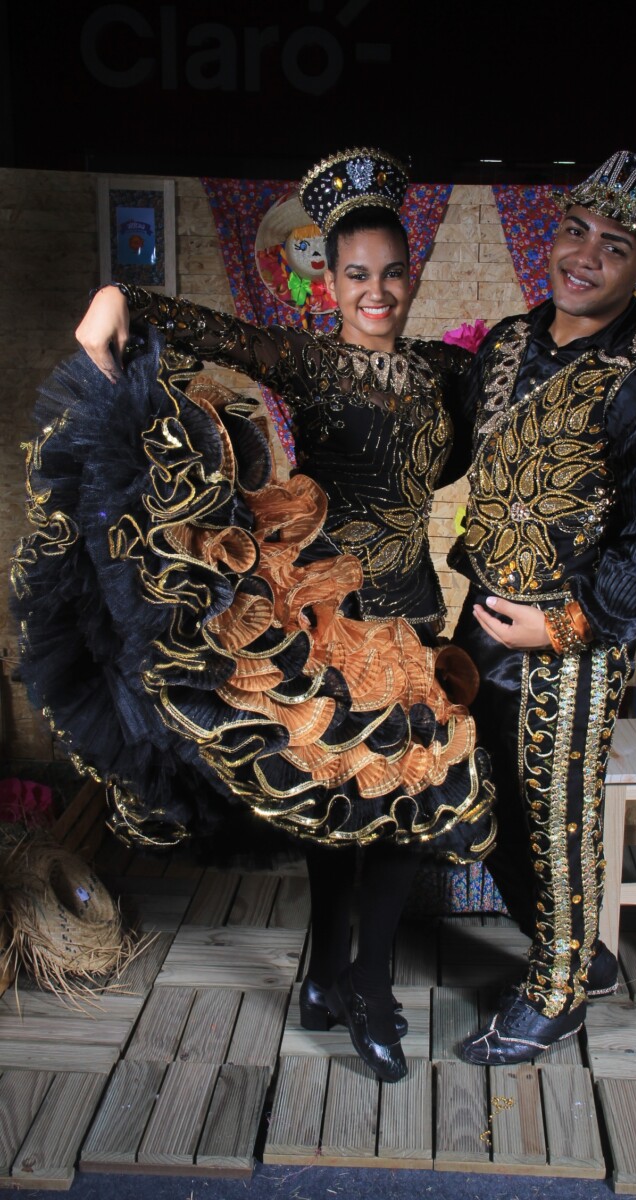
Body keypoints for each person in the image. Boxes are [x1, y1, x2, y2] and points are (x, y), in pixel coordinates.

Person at [12, 147, 494, 1084]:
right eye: (357, 274)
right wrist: (118, 297)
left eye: (394, 272)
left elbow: (477, 431)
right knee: (338, 810)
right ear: (330, 281)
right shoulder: (306, 360)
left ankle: (345, 982)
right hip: (330, 621)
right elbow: (203, 330)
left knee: (405, 810)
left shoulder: (445, 371)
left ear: (414, 273)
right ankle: (345, 981)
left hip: (415, 617)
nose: (378, 292)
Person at [447, 150, 636, 1064]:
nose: (585, 257)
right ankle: (579, 954)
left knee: (557, 818)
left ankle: (557, 993)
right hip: (481, 622)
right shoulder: (506, 344)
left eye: (615, 246)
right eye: (575, 231)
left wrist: (561, 625)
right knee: (476, 800)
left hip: (572, 645)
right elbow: (455, 447)